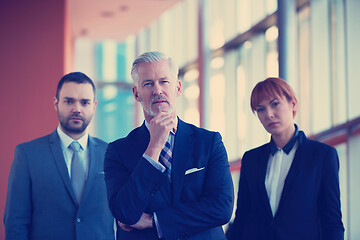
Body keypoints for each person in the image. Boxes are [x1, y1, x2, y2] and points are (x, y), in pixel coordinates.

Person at [104, 51, 234, 240]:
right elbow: (125, 212)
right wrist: (154, 147)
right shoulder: (118, 151)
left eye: (164, 82)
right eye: (148, 84)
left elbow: (221, 208)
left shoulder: (209, 142)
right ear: (136, 93)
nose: (157, 90)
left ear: (178, 88)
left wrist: (154, 220)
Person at [226, 77, 344, 240]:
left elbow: (332, 221)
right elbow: (242, 215)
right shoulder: (251, 159)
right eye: (260, 109)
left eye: (275, 104)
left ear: (293, 104)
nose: (269, 114)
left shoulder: (322, 156)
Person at [4, 72, 115, 240]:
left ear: (94, 106)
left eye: (85, 102)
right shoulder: (27, 155)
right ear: (56, 104)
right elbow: (15, 223)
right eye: (69, 101)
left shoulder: (111, 154)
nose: (77, 109)